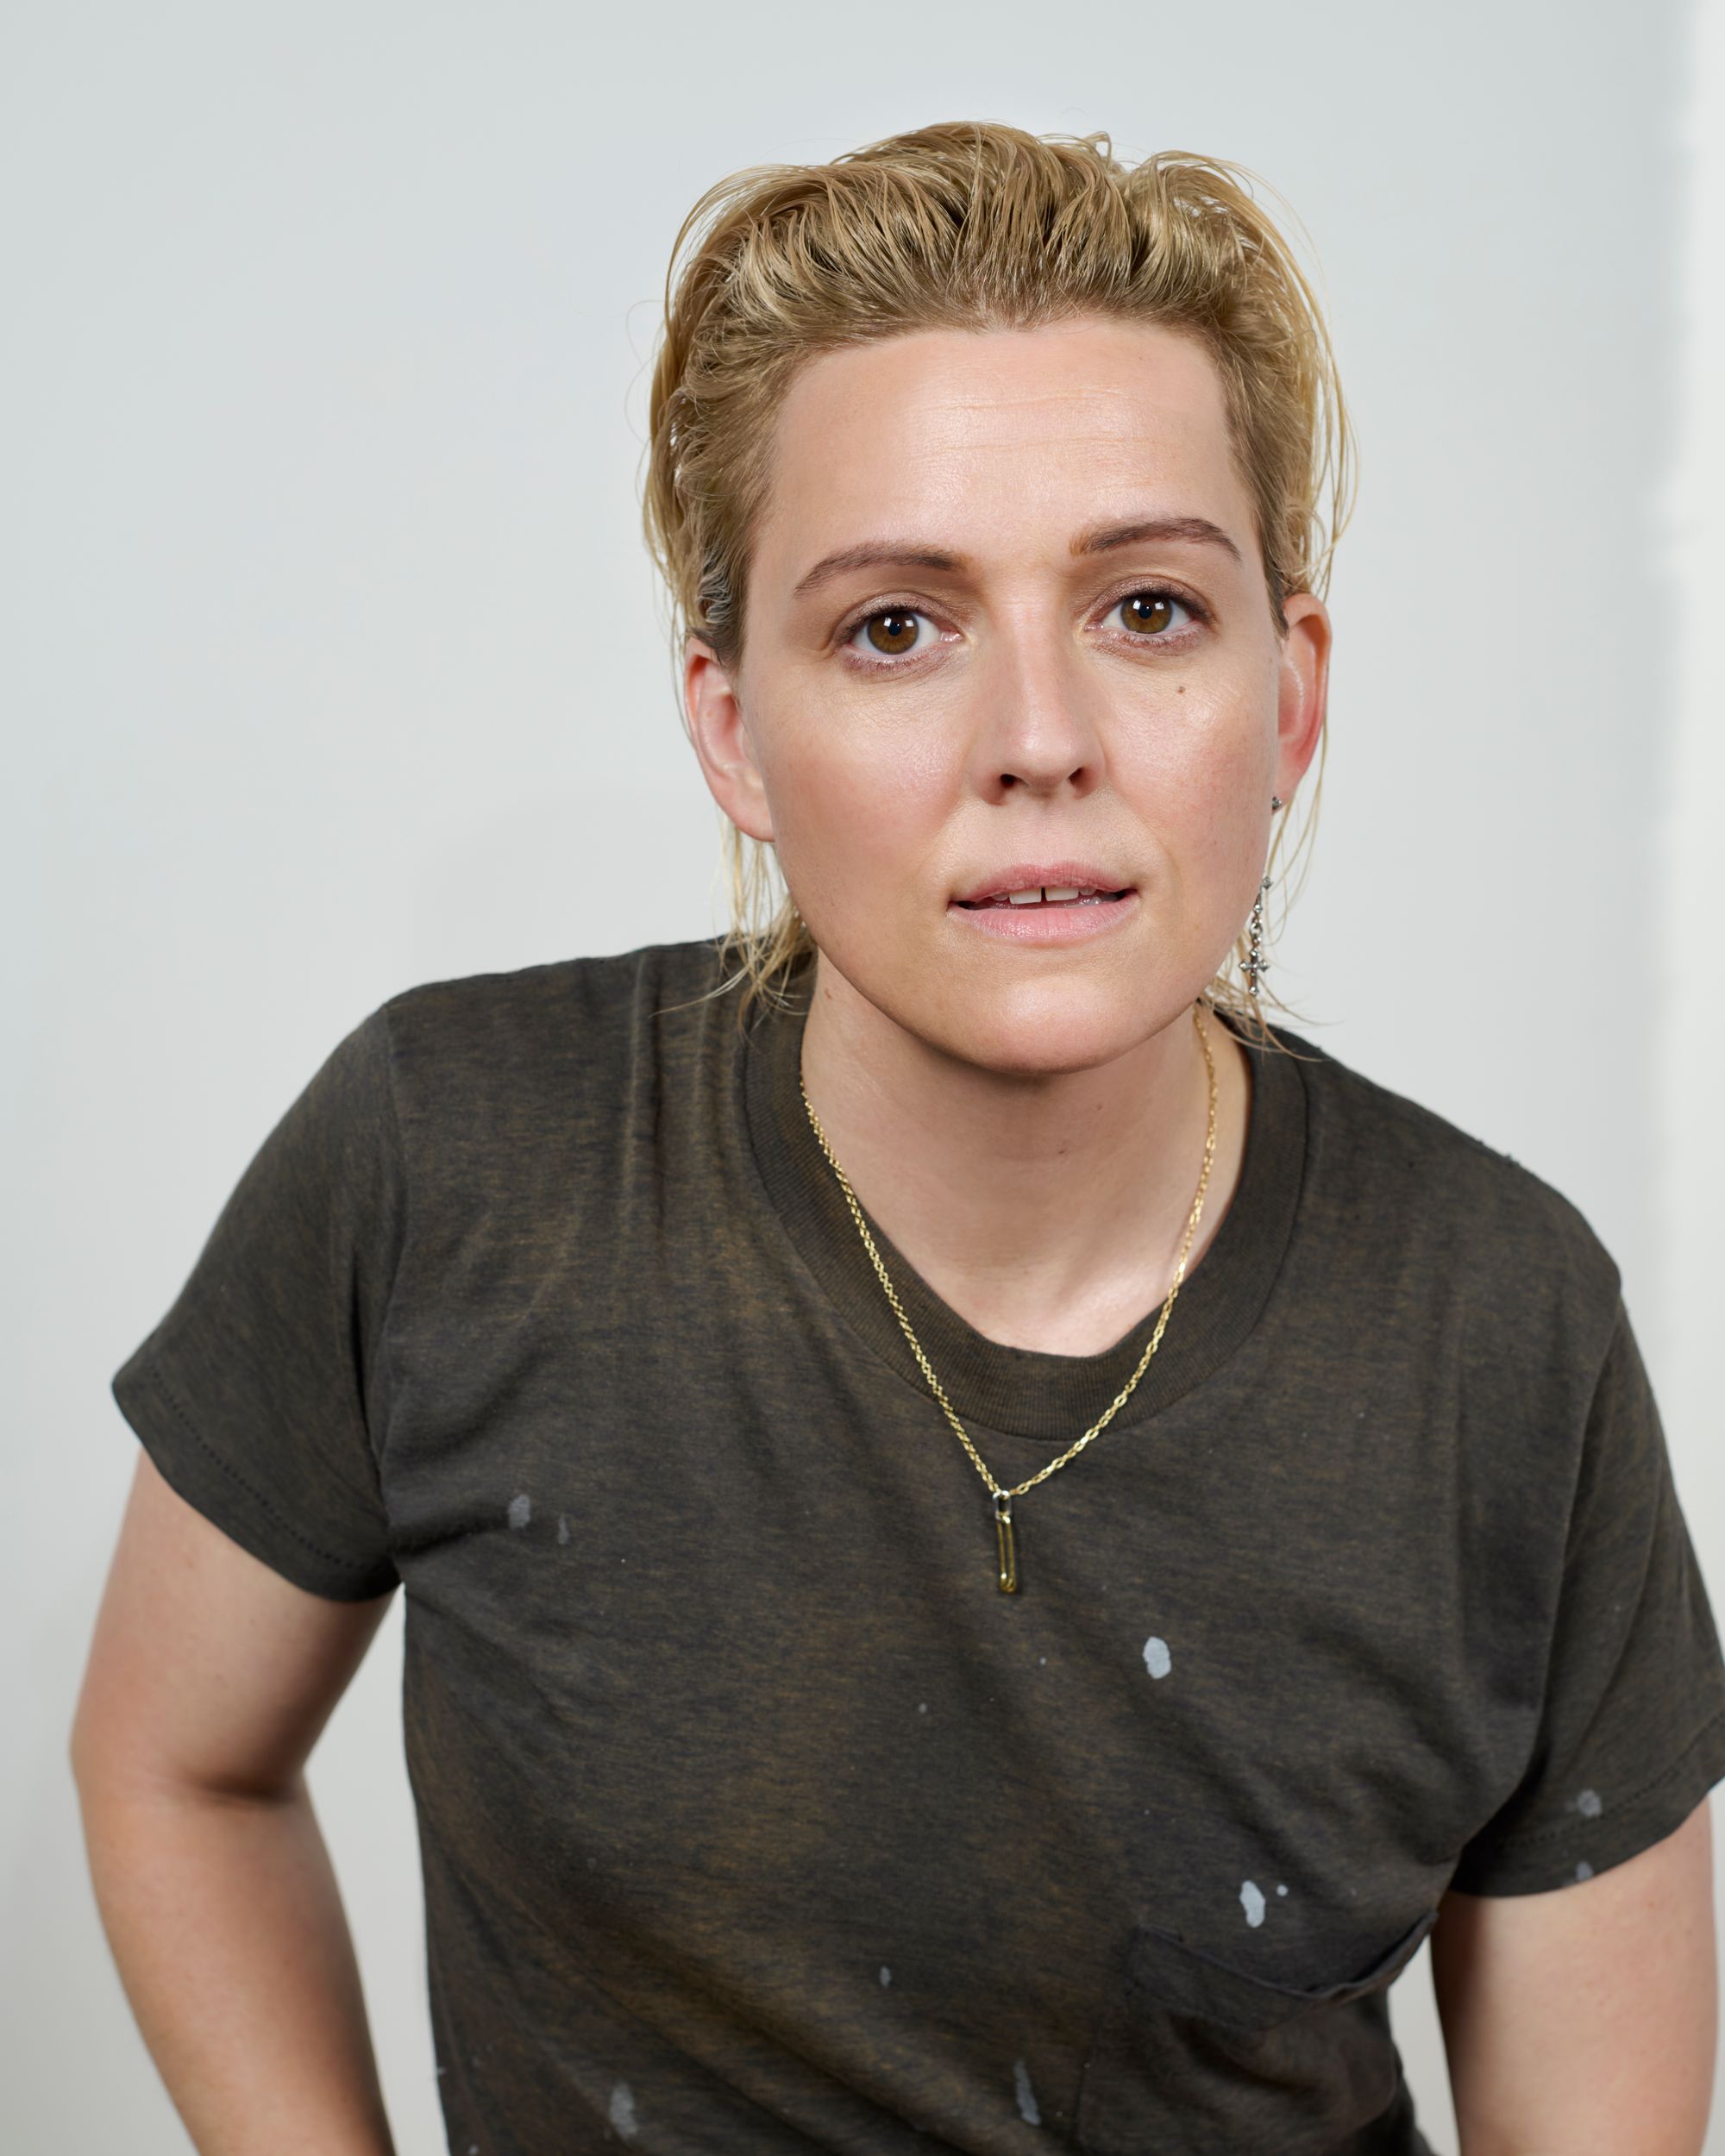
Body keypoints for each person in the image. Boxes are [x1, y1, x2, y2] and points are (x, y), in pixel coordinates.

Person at [72, 121, 1725, 2156]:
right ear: (731, 727)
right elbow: (175, 1764)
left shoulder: (1502, 1327)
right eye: (892, 628)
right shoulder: (448, 1162)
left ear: (1289, 697)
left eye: (1145, 606)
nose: (1037, 738)